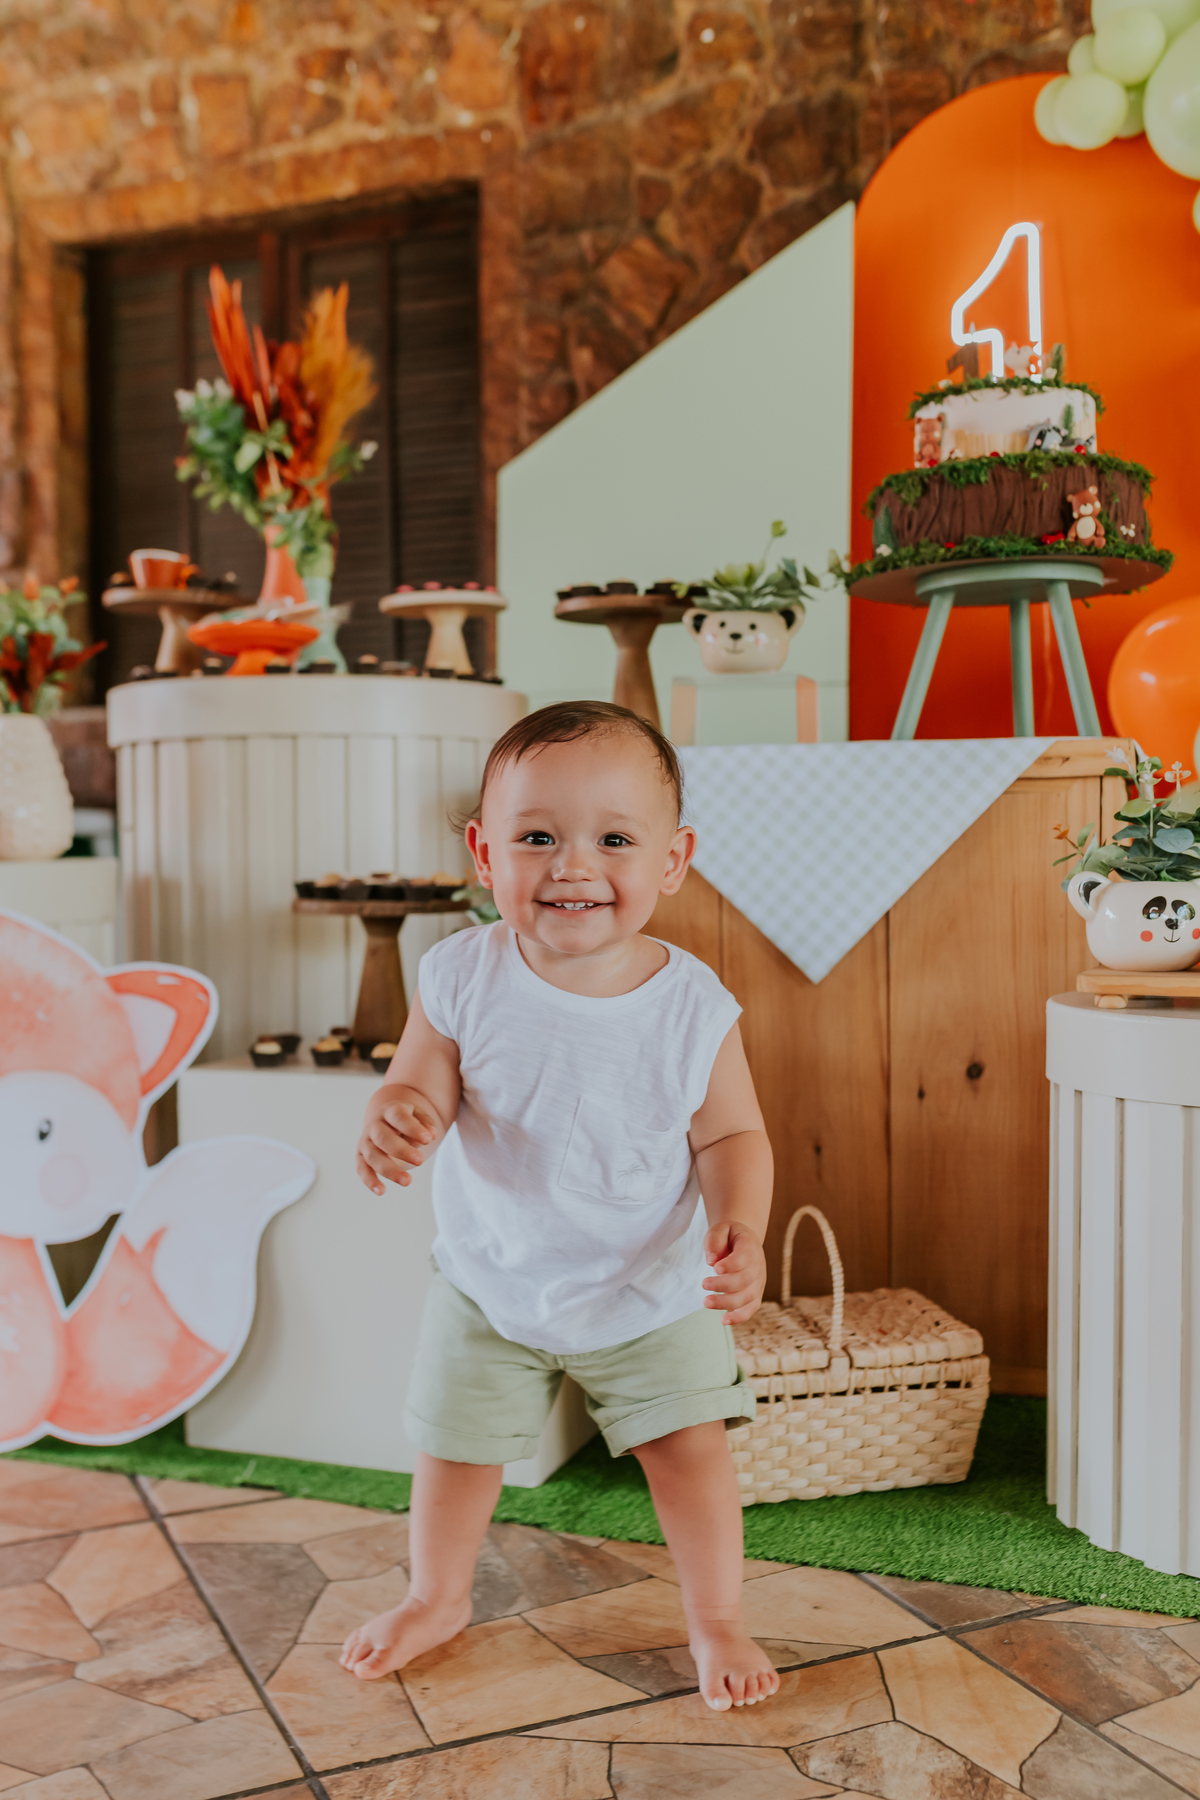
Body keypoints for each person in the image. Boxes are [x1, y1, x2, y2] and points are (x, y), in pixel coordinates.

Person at [342, 700, 778, 1711]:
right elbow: (422, 1083)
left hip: (651, 1286)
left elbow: (731, 1135)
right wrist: (398, 1112)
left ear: (674, 860)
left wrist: (741, 1225)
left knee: (691, 1454)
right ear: (483, 853)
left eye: (614, 839)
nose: (573, 865)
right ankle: (436, 1595)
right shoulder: (461, 973)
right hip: (493, 1276)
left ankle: (716, 1617)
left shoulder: (691, 1007)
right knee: (453, 1451)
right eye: (537, 837)